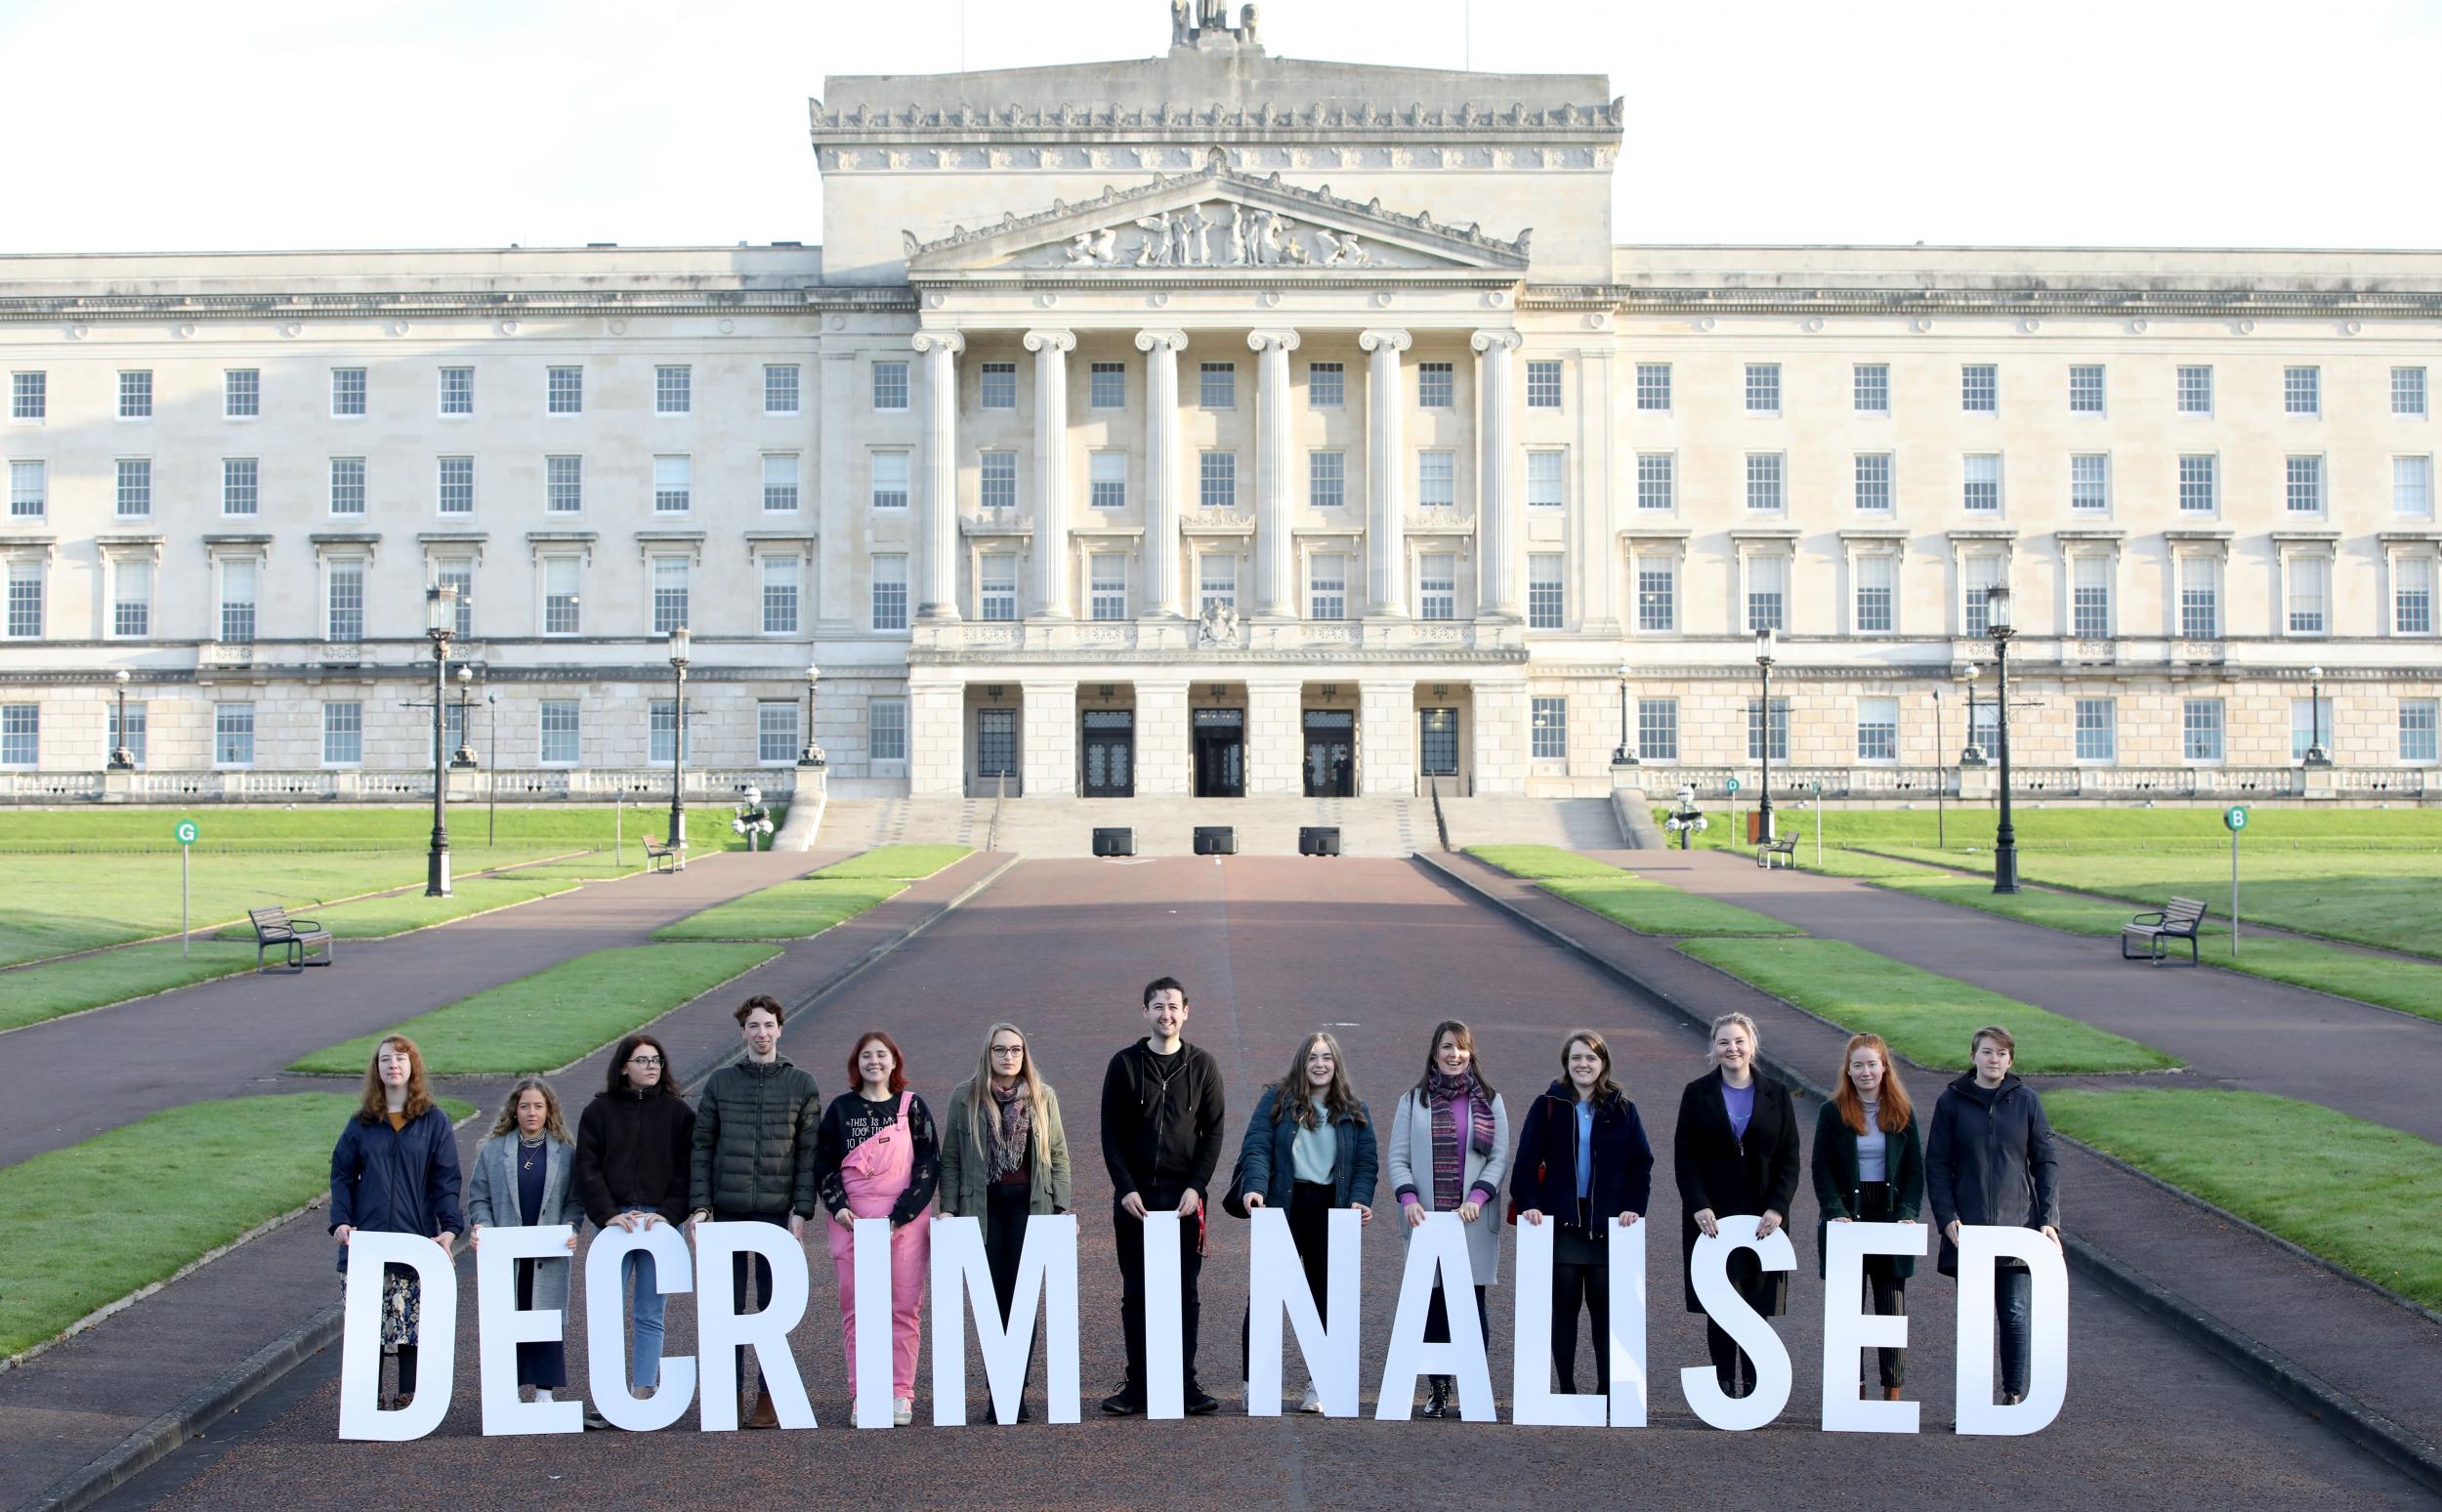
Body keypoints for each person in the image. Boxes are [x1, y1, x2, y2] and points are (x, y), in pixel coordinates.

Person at [688, 993, 822, 1430]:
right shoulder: (720, 1083)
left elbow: (809, 1153)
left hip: (775, 1214)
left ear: (780, 1029)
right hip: (726, 1212)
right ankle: (730, 1393)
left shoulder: (801, 1084)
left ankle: (768, 1394)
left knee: (770, 1306)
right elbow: (702, 1146)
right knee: (726, 1308)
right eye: (753, 1026)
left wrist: (803, 1208)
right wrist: (701, 1206)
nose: (761, 1033)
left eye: (768, 1025)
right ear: (743, 1031)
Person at [1098, 975, 1227, 1416]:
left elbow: (1213, 1135)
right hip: (1135, 1199)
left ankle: (1184, 1383)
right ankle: (1139, 1385)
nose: (1166, 1014)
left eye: (1173, 1006)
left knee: (1184, 1291)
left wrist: (1197, 1187)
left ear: (1186, 1012)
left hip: (1185, 1198)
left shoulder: (1204, 1066)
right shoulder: (1124, 1064)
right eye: (1158, 1006)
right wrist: (1124, 1188)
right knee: (1136, 1292)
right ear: (1145, 1012)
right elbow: (1110, 1133)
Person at [1234, 1030, 1379, 1413]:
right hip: (1284, 1202)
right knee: (1264, 1296)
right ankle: (1254, 1383)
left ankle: (1320, 1384)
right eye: (1313, 1057)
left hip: (1329, 1207)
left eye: (1327, 1057)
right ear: (1302, 1062)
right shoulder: (1278, 1100)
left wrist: (1360, 1200)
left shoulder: (1354, 1108)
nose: (1320, 1064)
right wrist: (1253, 1188)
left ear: (1336, 1063)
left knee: (1325, 1297)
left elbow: (1366, 1164)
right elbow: (1257, 1145)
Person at [938, 1021, 1073, 1424]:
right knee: (992, 1302)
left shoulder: (1042, 1097)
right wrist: (947, 1206)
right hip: (982, 1211)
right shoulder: (965, 1097)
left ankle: (1015, 1389)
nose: (1008, 1056)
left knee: (1022, 1300)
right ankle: (998, 1388)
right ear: (989, 1054)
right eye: (1001, 1050)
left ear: (1024, 1055)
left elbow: (1059, 1154)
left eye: (1015, 1050)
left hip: (1030, 1209)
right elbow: (951, 1158)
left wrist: (1062, 1208)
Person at [1924, 1024, 2061, 1408]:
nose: (1994, 1059)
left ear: (2010, 1060)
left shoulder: (2027, 1102)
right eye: (1987, 1052)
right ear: (1973, 1057)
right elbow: (1936, 1164)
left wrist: (2048, 1218)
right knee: (1975, 1322)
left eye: (2001, 1054)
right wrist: (1946, 1217)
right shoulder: (1950, 1102)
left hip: (2018, 1227)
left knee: (2015, 1315)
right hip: (1968, 1230)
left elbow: (2045, 1162)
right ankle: (1973, 1404)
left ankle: (2013, 1395)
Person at [1511, 1030, 1653, 1396]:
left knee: (1606, 1316)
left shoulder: (1623, 1109)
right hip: (1563, 1225)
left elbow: (1641, 1163)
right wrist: (1529, 1202)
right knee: (1564, 1313)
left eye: (1591, 1058)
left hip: (1608, 1227)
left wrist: (1634, 1208)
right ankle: (1567, 1388)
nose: (1583, 1064)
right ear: (1566, 1063)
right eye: (1576, 1058)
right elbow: (1526, 1160)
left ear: (1603, 1063)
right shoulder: (1549, 1105)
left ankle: (1607, 1391)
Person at [328, 1034, 463, 1411]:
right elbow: (341, 1175)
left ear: (413, 1067)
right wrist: (340, 1222)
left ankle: (408, 1397)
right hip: (366, 1241)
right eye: (386, 1059)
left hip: (414, 1239)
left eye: (401, 1059)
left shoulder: (433, 1122)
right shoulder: (361, 1124)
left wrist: (450, 1228)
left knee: (409, 1323)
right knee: (367, 1326)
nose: (393, 1065)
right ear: (377, 1069)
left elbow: (446, 1180)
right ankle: (368, 1399)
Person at [1673, 1012, 1801, 1402]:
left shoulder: (1777, 1093)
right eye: (1724, 1042)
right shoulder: (1697, 1093)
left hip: (1764, 1218)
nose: (1732, 1049)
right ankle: (1725, 1382)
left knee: (1756, 1300)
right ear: (1713, 1047)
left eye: (1739, 1041)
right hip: (1712, 1215)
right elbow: (1685, 1157)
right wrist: (1698, 1206)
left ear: (1752, 1045)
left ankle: (1757, 1385)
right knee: (1720, 1301)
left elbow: (1789, 1157)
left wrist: (1777, 1208)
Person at [1387, 1019, 1510, 1419]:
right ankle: (1438, 1390)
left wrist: (1478, 1196)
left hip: (1471, 1221)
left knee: (1472, 1303)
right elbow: (1398, 1157)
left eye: (1460, 1047)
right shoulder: (1413, 1100)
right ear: (1434, 1053)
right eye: (1446, 1047)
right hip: (1426, 1220)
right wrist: (1407, 1198)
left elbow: (1498, 1158)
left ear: (1470, 1052)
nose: (1453, 1054)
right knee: (1434, 1303)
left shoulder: (1490, 1101)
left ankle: (1473, 1386)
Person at [818, 1029, 940, 1427]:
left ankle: (900, 1394)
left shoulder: (912, 1106)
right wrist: (837, 1208)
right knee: (856, 1309)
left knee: (904, 1308)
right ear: (857, 1063)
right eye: (866, 1056)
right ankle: (862, 1395)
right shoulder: (839, 1109)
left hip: (903, 1220)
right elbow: (824, 1165)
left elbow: (928, 1163)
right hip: (851, 1222)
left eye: (881, 1055)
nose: (874, 1062)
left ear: (894, 1062)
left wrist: (901, 1214)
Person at [574, 1032, 695, 1425]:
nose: (652, 1067)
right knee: (607, 1312)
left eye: (657, 1060)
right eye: (643, 1061)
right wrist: (607, 1213)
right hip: (616, 1226)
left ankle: (642, 1391)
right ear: (623, 1066)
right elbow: (587, 1168)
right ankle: (609, 1398)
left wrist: (671, 1212)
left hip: (661, 1225)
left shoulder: (678, 1113)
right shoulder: (599, 1112)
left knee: (649, 1312)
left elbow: (688, 1169)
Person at [1812, 1032, 1925, 1404]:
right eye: (1857, 1064)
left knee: (1890, 1303)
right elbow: (1822, 1168)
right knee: (1849, 1305)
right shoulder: (1832, 1113)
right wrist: (1836, 1213)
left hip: (1890, 1213)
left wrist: (1907, 1214)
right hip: (1849, 1214)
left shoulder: (1902, 1111)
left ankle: (1891, 1390)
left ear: (1884, 1067)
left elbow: (1914, 1172)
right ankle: (1853, 1388)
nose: (1865, 1071)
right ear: (1847, 1069)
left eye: (1872, 1064)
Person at [466, 1077, 587, 1408]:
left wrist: (571, 1226)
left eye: (538, 1106)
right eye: (524, 1106)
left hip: (548, 1253)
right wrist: (485, 1230)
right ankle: (508, 1392)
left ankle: (544, 1393)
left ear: (549, 1110)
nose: (531, 1112)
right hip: (506, 1254)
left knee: (545, 1315)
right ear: (514, 1111)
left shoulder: (565, 1152)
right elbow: (478, 1197)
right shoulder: (493, 1150)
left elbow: (575, 1201)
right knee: (509, 1316)